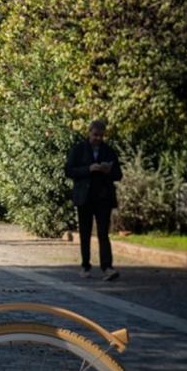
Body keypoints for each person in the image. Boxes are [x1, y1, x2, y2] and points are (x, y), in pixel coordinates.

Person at [65, 120, 123, 281]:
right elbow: (69, 170)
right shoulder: (79, 149)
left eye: (101, 135)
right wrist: (88, 169)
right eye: (95, 135)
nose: (98, 138)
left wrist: (107, 170)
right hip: (85, 197)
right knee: (85, 233)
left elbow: (118, 174)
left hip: (103, 197)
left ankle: (107, 267)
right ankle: (85, 265)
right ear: (89, 133)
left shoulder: (108, 151)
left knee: (103, 233)